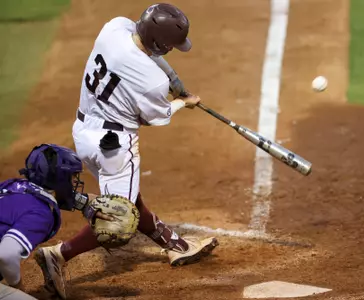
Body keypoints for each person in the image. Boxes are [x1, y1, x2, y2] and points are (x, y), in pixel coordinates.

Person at [34, 3, 219, 299]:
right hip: (116, 147)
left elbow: (145, 58)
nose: (172, 50)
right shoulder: (152, 82)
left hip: (84, 132)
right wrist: (184, 101)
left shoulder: (113, 27)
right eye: (169, 45)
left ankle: (174, 245)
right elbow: (154, 117)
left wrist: (172, 77)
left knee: (128, 197)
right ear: (159, 43)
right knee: (121, 217)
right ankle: (58, 254)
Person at [0, 143, 114, 300]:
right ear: (60, 180)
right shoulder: (40, 213)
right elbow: (6, 255)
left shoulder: (11, 186)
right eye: (72, 177)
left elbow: (40, 194)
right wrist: (16, 286)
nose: (75, 182)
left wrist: (85, 202)